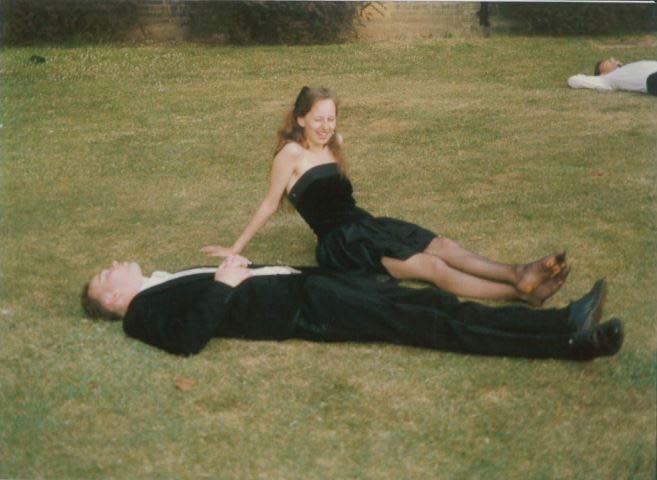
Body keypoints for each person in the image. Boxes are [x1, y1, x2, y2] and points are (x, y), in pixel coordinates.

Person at [202, 86, 570, 306]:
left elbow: (342, 198)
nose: (326, 127)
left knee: (439, 244)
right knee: (431, 268)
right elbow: (269, 204)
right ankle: (520, 294)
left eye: (331, 119)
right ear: (300, 119)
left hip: (365, 224)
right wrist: (234, 249)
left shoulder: (337, 143)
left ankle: (518, 272)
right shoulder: (290, 155)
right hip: (340, 244)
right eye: (318, 119)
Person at [81, 255, 623, 361]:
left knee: (433, 302)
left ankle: (561, 326)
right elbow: (186, 339)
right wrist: (223, 284)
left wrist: (235, 264)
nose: (116, 264)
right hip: (305, 311)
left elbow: (205, 292)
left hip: (310, 287)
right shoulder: (138, 316)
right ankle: (566, 336)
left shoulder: (161, 280)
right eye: (107, 274)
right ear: (110, 299)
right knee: (428, 322)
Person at [568, 58, 657, 95]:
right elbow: (574, 80)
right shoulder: (606, 79)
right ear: (602, 73)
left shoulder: (628, 67)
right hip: (652, 79)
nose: (612, 60)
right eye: (607, 61)